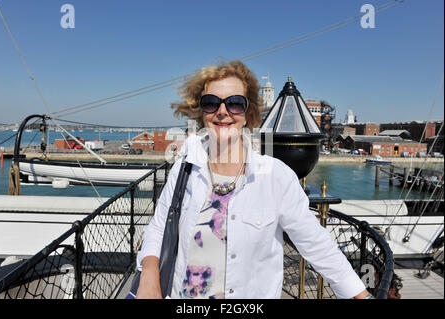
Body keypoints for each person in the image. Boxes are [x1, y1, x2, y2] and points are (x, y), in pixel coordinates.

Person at [136, 60, 370, 299]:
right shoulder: (183, 169)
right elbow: (158, 228)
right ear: (201, 112)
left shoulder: (275, 176)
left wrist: (361, 295)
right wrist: (149, 275)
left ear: (248, 114)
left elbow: (317, 245)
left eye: (235, 104)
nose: (223, 111)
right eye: (211, 103)